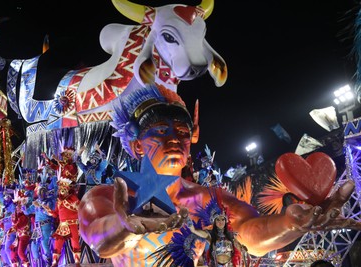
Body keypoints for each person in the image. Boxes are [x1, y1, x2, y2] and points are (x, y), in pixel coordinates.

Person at [78, 83, 361, 267]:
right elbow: (99, 240)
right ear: (137, 145)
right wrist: (126, 225)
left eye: (182, 133)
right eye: (161, 131)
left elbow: (251, 233)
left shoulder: (207, 197)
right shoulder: (106, 196)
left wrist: (291, 223)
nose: (175, 140)